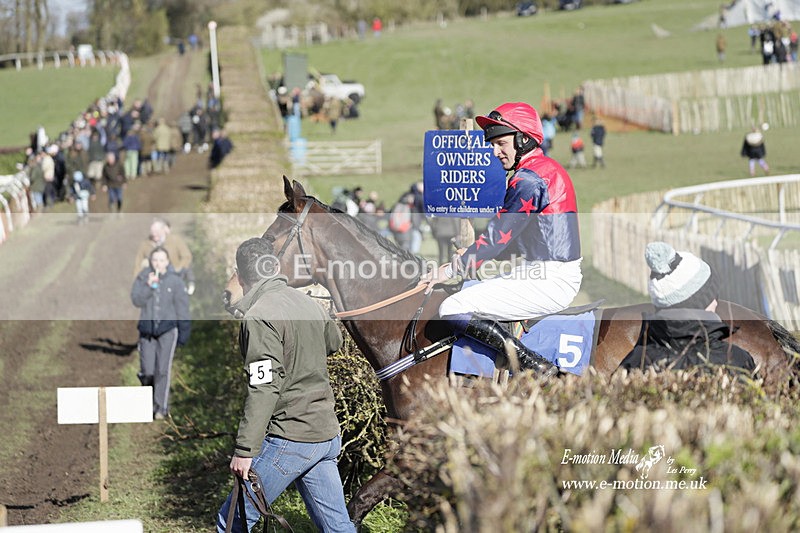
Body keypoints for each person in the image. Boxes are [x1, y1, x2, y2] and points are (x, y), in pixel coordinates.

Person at [425, 102, 582, 377]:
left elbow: (497, 237)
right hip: (542, 271)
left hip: (550, 279)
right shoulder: (542, 169)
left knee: (452, 307)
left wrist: (449, 270)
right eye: (492, 144)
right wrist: (471, 255)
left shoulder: (529, 180)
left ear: (523, 139)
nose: (494, 152)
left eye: (501, 143)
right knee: (469, 288)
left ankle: (536, 367)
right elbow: (513, 242)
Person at [215, 237, 354, 533]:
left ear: (239, 276)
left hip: (293, 437)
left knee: (232, 521)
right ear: (274, 267)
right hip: (325, 434)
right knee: (338, 528)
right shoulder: (308, 303)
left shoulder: (258, 316)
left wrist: (245, 450)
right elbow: (335, 342)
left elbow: (264, 387)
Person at [619, 242, 756, 373]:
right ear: (699, 304)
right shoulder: (736, 361)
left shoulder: (634, 362)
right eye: (713, 296)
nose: (716, 302)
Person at [131, 247, 191, 419]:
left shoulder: (175, 281)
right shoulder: (143, 278)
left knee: (162, 370)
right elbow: (136, 300)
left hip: (167, 331)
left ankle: (160, 408)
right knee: (147, 371)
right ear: (150, 261)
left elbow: (182, 309)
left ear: (167, 261)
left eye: (161, 260)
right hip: (147, 331)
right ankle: (148, 404)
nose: (158, 263)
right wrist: (149, 287)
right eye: (155, 260)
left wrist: (183, 334)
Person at [133, 217, 195, 295]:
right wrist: (137, 282)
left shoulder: (175, 240)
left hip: (175, 277)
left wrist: (178, 269)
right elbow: (138, 264)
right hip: (154, 281)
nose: (154, 234)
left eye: (157, 232)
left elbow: (187, 257)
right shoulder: (145, 244)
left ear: (163, 230)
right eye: (152, 232)